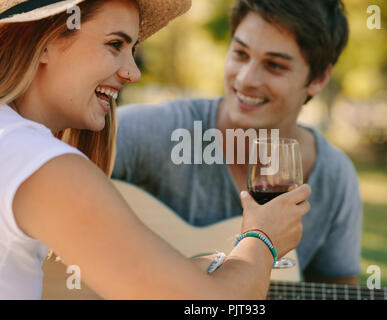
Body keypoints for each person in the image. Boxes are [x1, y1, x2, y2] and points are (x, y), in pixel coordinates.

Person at [0, 0, 312, 300]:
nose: (133, 72)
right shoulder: (44, 165)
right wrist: (262, 238)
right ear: (45, 41)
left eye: (132, 50)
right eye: (115, 45)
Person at [113, 0, 362, 285]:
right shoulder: (155, 131)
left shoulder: (333, 176)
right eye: (241, 54)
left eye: (274, 65)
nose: (245, 79)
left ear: (318, 78)